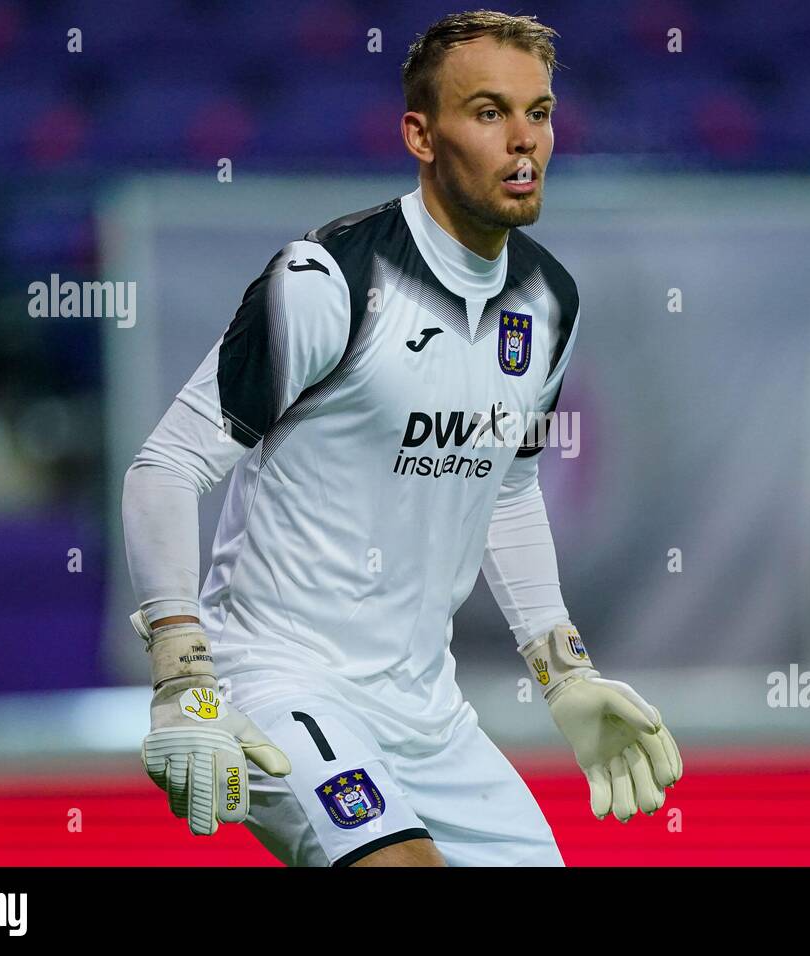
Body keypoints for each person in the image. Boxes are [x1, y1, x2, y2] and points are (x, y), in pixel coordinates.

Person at [121, 9, 682, 867]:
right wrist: (183, 681)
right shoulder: (328, 279)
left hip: (428, 710)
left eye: (539, 112)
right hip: (281, 679)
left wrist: (564, 671)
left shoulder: (548, 302)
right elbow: (164, 467)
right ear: (421, 134)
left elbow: (507, 487)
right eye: (489, 112)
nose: (523, 141)